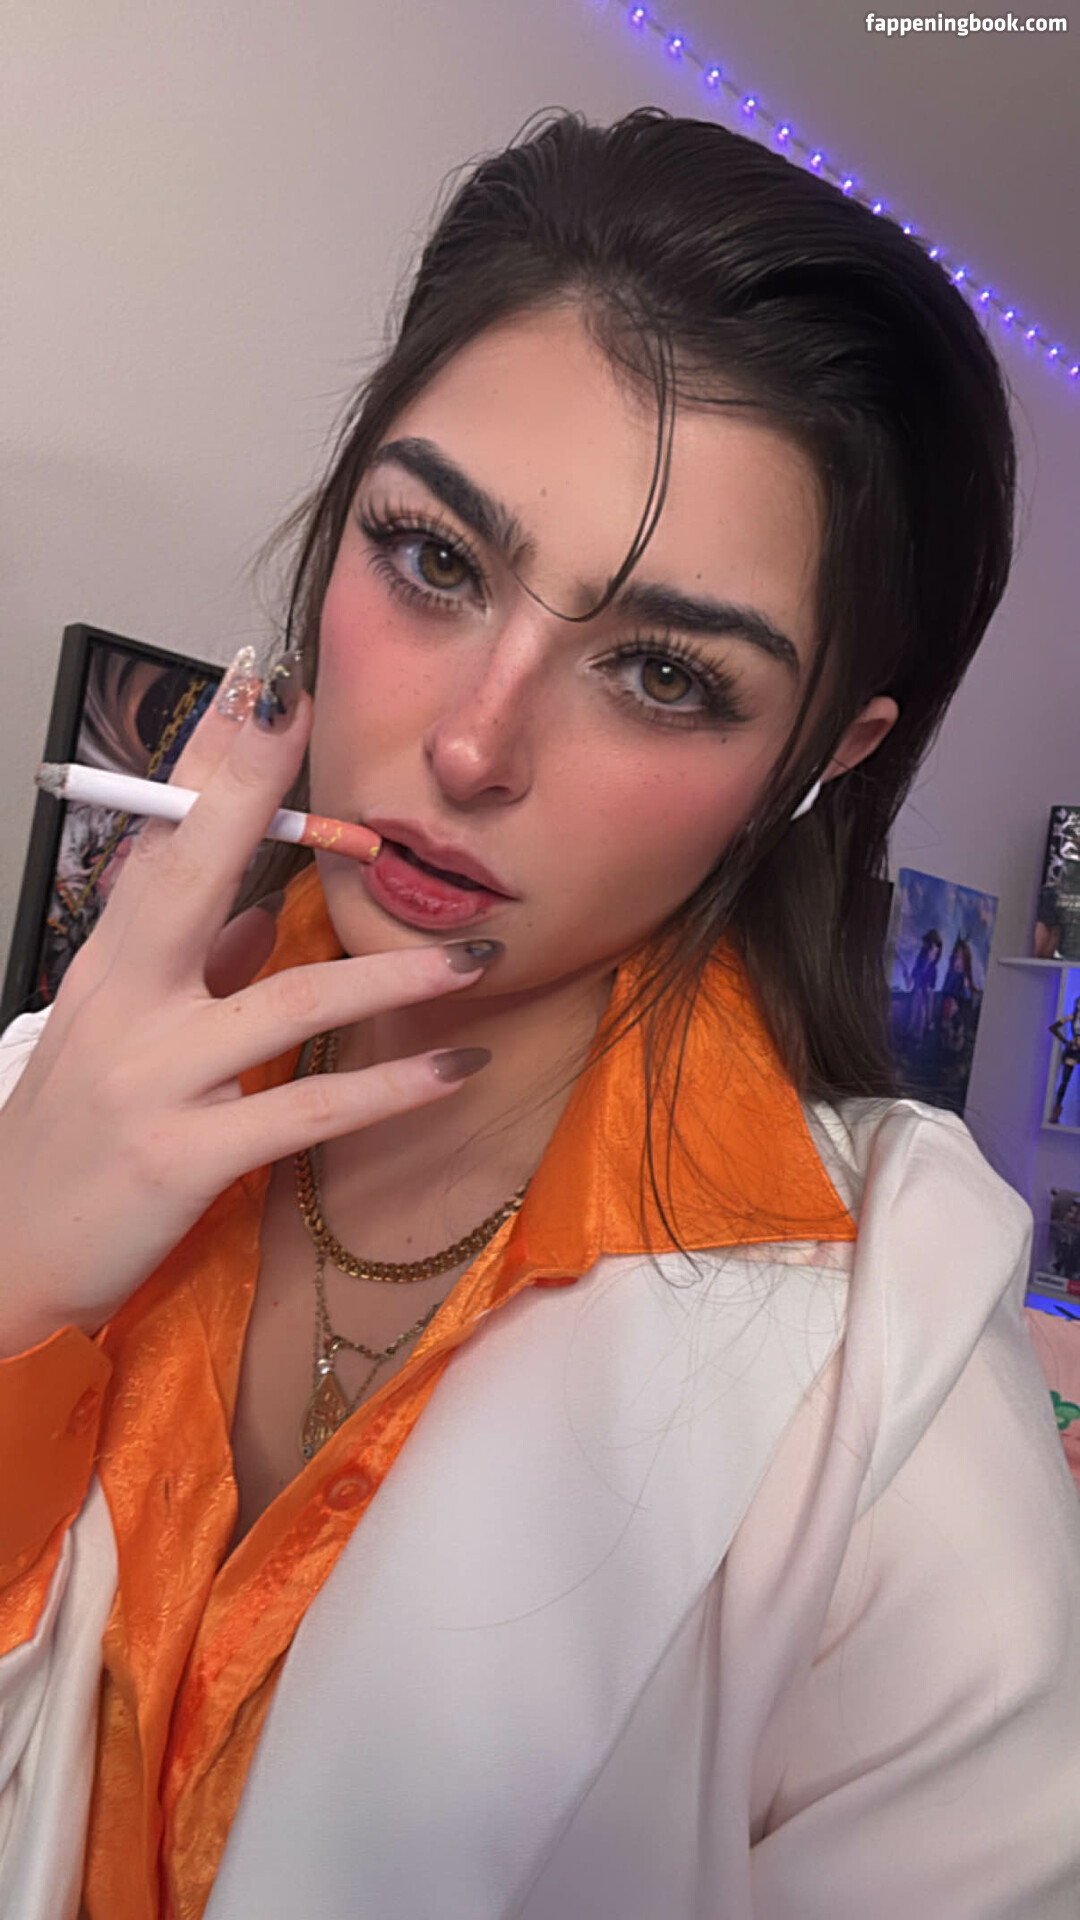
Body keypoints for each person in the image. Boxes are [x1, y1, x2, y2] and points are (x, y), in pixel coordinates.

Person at [0, 107, 1077, 1920]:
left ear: (818, 760)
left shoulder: (894, 1386)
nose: (474, 746)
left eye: (663, 671)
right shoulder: (44, 1101)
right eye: (434, 559)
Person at [1048, 996, 1080, 1124]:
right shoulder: (1071, 1017)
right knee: (1065, 1081)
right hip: (1073, 1050)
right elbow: (1053, 1028)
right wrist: (1066, 1042)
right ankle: (1056, 1112)